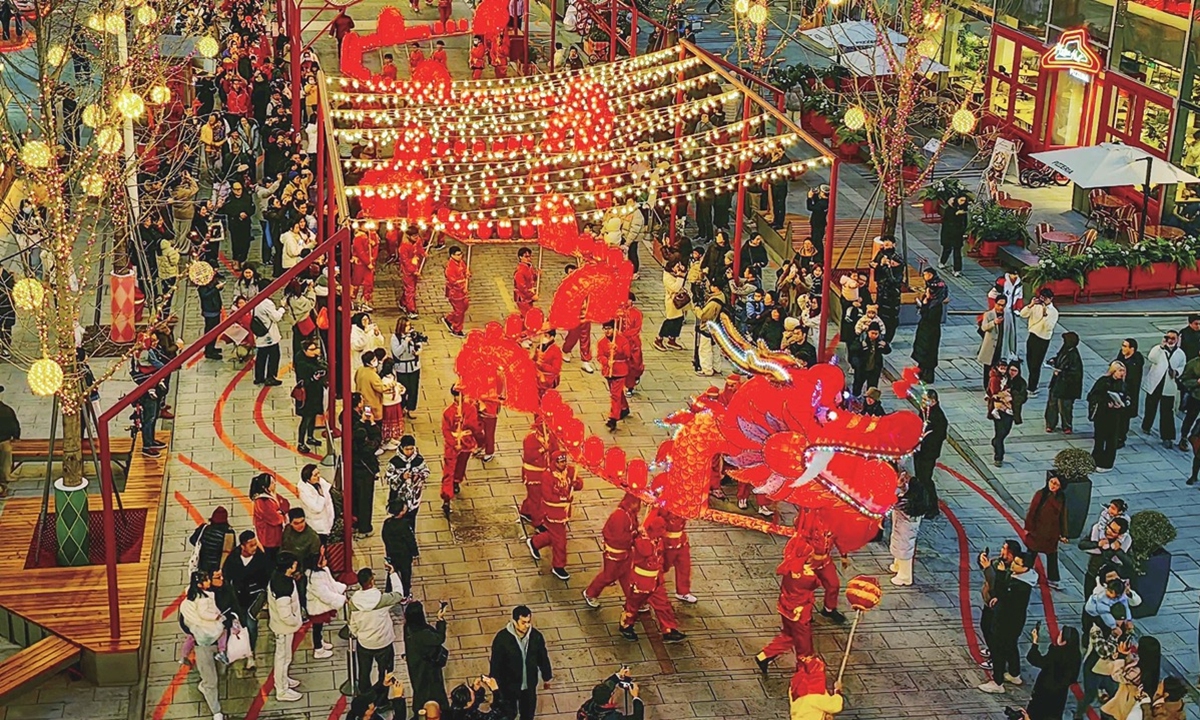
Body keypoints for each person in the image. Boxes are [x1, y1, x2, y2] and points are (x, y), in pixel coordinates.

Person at [755, 533, 820, 673]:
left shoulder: (790, 565)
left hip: (786, 606)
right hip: (800, 613)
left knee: (789, 635)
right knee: (805, 647)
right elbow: (816, 583)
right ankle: (805, 674)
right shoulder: (808, 576)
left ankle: (765, 655)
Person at [618, 515, 686, 643]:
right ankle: (626, 625)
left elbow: (661, 558)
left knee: (663, 603)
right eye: (661, 527)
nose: (664, 530)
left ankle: (668, 629)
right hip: (641, 582)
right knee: (633, 605)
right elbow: (647, 552)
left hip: (655, 579)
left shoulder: (657, 539)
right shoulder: (642, 541)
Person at [978, 551, 1036, 693]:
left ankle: (997, 683)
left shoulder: (1019, 585)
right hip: (1015, 621)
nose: (1013, 565)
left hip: (1005, 621)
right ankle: (1014, 674)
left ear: (1026, 568)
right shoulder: (1023, 580)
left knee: (998, 652)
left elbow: (1001, 591)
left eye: (1017, 564)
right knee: (1011, 646)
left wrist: (1001, 574)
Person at [348, 565, 406, 693]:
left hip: (364, 644)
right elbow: (399, 594)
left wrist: (358, 634)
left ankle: (365, 696)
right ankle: (382, 699)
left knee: (364, 672)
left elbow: (352, 623)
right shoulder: (382, 599)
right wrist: (393, 573)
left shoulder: (353, 602)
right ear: (372, 581)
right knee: (385, 672)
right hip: (383, 643)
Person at [488, 606, 553, 720]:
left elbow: (542, 657)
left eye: (528, 622)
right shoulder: (502, 639)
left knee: (528, 714)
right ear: (514, 621)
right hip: (508, 685)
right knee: (508, 713)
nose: (527, 626)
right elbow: (496, 662)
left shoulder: (536, 637)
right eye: (523, 622)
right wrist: (494, 683)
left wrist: (547, 677)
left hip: (529, 684)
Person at [527, 452, 583, 581]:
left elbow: (579, 484)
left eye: (564, 461)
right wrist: (564, 498)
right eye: (560, 462)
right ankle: (558, 565)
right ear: (554, 462)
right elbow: (547, 496)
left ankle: (535, 542)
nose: (563, 464)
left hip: (564, 512)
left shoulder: (570, 471)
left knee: (553, 536)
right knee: (560, 541)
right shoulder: (547, 476)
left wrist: (576, 484)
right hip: (552, 513)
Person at [180, 571, 227, 720]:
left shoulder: (213, 594)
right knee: (211, 680)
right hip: (203, 644)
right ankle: (216, 712)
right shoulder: (194, 604)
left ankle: (205, 686)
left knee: (218, 674)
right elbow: (189, 624)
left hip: (214, 637)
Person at [583, 492, 641, 607]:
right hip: (615, 553)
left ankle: (632, 601)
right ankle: (590, 593)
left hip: (626, 552)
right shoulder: (619, 516)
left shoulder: (630, 514)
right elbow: (619, 538)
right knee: (608, 576)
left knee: (627, 576)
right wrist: (635, 534)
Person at [977, 539, 1021, 672]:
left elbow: (995, 584)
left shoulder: (1010, 570)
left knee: (993, 633)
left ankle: (995, 659)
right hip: (988, 602)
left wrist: (987, 568)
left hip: (998, 607)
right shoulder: (998, 562)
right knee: (985, 627)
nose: (1002, 551)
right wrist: (982, 561)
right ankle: (992, 650)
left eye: (1005, 549)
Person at [889, 469, 939, 586]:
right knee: (899, 544)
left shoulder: (909, 503)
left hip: (905, 528)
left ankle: (905, 576)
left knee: (904, 548)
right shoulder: (913, 493)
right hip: (901, 525)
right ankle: (898, 565)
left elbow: (894, 501)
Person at [1020, 625, 1081, 720]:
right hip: (1059, 693)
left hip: (1045, 690)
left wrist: (1035, 642)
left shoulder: (1056, 653)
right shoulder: (1075, 654)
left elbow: (1037, 660)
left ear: (1064, 641)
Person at [440, 386, 482, 517]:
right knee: (449, 469)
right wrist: (453, 443)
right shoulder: (448, 412)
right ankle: (446, 496)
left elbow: (473, 426)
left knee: (460, 465)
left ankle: (456, 481)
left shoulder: (470, 409)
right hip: (455, 444)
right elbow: (445, 430)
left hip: (465, 443)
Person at [268, 553, 304, 702]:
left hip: (282, 626)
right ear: (289, 567)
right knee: (282, 658)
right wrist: (296, 621)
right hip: (283, 628)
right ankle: (281, 690)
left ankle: (284, 679)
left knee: (286, 656)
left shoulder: (278, 576)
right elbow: (285, 615)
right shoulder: (283, 587)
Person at [1024, 473, 1068, 591]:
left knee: (1052, 555)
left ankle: (1053, 580)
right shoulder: (1040, 494)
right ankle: (1025, 573)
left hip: (1052, 532)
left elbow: (1063, 516)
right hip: (1038, 530)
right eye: (1051, 482)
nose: (1053, 485)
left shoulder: (1061, 497)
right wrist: (1028, 527)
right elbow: (1032, 511)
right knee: (1031, 553)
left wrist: (1064, 533)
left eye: (1056, 484)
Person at [1142, 329, 1186, 447]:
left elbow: (1182, 366)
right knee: (1150, 407)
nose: (1170, 340)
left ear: (1177, 340)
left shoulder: (1180, 353)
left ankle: (1167, 436)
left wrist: (1177, 372)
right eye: (1168, 338)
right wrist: (1161, 347)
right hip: (1155, 383)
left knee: (1167, 411)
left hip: (1168, 385)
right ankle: (1146, 425)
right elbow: (1151, 357)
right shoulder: (1158, 349)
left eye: (1173, 338)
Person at [404, 600, 449, 712]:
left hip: (415, 663)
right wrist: (440, 620)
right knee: (432, 688)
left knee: (419, 687)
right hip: (427, 666)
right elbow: (439, 638)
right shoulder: (423, 633)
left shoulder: (408, 628)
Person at [385, 435, 429, 545]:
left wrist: (418, 476)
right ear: (401, 448)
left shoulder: (418, 460)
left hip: (413, 498)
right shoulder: (394, 462)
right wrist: (401, 477)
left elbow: (426, 472)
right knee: (399, 520)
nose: (409, 451)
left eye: (411, 449)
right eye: (407, 449)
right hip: (398, 498)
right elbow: (388, 478)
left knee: (411, 519)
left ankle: (410, 540)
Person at [1088, 361, 1129, 472]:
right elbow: (1092, 396)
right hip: (1102, 415)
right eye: (1120, 370)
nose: (1122, 373)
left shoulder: (1123, 384)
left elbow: (1127, 399)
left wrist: (1121, 404)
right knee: (1099, 439)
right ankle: (1095, 460)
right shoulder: (1103, 382)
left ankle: (1107, 464)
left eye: (1123, 371)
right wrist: (1106, 403)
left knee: (1111, 441)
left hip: (1115, 416)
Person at [351, 393, 383, 536]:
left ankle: (355, 522)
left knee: (356, 499)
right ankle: (365, 528)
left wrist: (362, 422)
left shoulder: (352, 443)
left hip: (354, 471)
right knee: (365, 501)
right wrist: (372, 423)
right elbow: (377, 438)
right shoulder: (367, 448)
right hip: (365, 474)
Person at [306, 554, 347, 660]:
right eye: (323, 559)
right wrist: (340, 599)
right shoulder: (314, 578)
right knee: (317, 628)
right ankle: (318, 649)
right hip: (317, 607)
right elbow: (324, 594)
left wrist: (341, 589)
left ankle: (320, 642)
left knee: (319, 628)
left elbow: (331, 584)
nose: (326, 560)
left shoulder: (322, 571)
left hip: (320, 605)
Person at [911, 267, 948, 383]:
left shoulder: (936, 304)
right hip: (924, 329)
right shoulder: (931, 288)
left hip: (930, 331)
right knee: (922, 350)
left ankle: (927, 375)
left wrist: (925, 304)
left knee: (928, 351)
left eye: (926, 274)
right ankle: (920, 371)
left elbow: (928, 316)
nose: (924, 277)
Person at [1019, 288, 1059, 395]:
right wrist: (1030, 305)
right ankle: (1031, 382)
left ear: (1050, 299)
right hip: (1032, 336)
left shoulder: (1053, 312)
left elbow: (1048, 327)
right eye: (1041, 297)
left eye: (1045, 298)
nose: (1043, 300)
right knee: (1029, 360)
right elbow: (1022, 314)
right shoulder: (1036, 306)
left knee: (1036, 364)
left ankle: (1032, 387)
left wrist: (1045, 314)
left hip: (1042, 339)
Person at [1045, 331, 1084, 434]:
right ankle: (1050, 424)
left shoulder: (1074, 356)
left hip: (1067, 387)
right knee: (1052, 404)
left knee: (1065, 407)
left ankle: (1066, 426)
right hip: (1057, 383)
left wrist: (1061, 373)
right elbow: (1059, 358)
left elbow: (1075, 373)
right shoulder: (1064, 350)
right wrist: (1053, 361)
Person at [597, 319, 631, 431]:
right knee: (616, 392)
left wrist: (618, 349)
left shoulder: (622, 340)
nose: (607, 331)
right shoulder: (601, 342)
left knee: (615, 395)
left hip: (620, 371)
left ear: (614, 328)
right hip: (608, 371)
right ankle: (624, 407)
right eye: (605, 329)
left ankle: (613, 418)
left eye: (609, 329)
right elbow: (599, 356)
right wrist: (606, 362)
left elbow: (627, 355)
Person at [294, 339, 327, 454]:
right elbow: (305, 378)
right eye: (312, 350)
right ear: (305, 350)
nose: (315, 351)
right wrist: (314, 377)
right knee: (306, 418)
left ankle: (310, 436)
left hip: (315, 392)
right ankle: (300, 443)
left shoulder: (313, 359)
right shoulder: (302, 363)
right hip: (306, 394)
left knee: (313, 416)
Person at [912, 390, 946, 497]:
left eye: (926, 400)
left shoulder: (938, 416)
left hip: (928, 453)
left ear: (933, 401)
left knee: (926, 479)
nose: (923, 402)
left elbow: (940, 436)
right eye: (923, 399)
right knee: (919, 478)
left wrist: (925, 438)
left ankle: (932, 505)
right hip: (919, 451)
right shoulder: (924, 412)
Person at [250, 474, 288, 566]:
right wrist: (280, 514)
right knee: (271, 559)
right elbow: (275, 519)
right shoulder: (262, 501)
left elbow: (285, 505)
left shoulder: (269, 496)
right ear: (264, 487)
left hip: (273, 535)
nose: (274, 484)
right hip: (269, 537)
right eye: (271, 482)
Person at [577, 668, 644, 720]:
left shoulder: (588, 706)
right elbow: (637, 718)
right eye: (613, 693)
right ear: (610, 700)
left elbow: (606, 687)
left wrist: (618, 676)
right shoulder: (613, 717)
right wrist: (636, 697)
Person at [252, 286, 285, 386]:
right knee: (274, 356)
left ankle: (259, 377)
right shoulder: (267, 303)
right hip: (269, 334)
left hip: (260, 332)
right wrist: (282, 309)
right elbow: (276, 317)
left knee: (261, 356)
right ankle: (271, 377)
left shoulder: (255, 300)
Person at [391, 318, 423, 420]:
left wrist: (418, 350)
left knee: (413, 390)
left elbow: (419, 344)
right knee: (404, 390)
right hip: (402, 368)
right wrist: (405, 342)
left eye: (409, 325)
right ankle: (401, 408)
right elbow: (397, 352)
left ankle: (410, 409)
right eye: (407, 326)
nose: (409, 328)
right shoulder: (395, 337)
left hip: (414, 367)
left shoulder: (413, 334)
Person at [1115, 338, 1144, 447]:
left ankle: (1121, 437)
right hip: (1118, 390)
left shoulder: (1135, 363)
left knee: (1124, 417)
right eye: (1122, 345)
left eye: (1125, 346)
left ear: (1132, 349)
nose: (1122, 348)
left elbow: (1132, 381)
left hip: (1128, 394)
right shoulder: (1121, 356)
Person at [661, 510, 695, 603]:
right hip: (667, 543)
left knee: (684, 566)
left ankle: (683, 592)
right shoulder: (662, 506)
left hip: (681, 541)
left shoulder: (685, 506)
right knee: (662, 568)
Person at [190, 506, 237, 573]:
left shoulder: (204, 528)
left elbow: (192, 540)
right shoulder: (229, 533)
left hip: (203, 566)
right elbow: (232, 551)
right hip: (218, 569)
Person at [693, 279, 725, 378]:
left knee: (705, 349)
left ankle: (707, 369)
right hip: (717, 328)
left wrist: (697, 309)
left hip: (708, 328)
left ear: (715, 287)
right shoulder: (722, 296)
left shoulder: (713, 303)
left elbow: (703, 316)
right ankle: (717, 368)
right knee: (715, 349)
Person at [656, 259, 689, 351]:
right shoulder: (667, 276)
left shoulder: (675, 273)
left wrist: (682, 272)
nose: (678, 268)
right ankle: (659, 338)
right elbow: (676, 288)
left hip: (679, 300)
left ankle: (672, 339)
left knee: (679, 320)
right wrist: (680, 276)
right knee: (670, 321)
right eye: (677, 266)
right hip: (672, 301)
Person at [850, 323, 890, 395]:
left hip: (874, 369)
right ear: (868, 332)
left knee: (872, 389)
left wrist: (885, 346)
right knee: (857, 386)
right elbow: (853, 349)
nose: (874, 335)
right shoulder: (862, 339)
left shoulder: (880, 341)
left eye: (876, 333)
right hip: (862, 368)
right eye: (872, 333)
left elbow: (887, 351)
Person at [298, 464, 335, 542]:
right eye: (315, 475)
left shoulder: (319, 481)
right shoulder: (304, 492)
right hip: (317, 526)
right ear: (308, 479)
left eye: (318, 473)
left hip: (327, 519)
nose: (319, 476)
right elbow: (317, 508)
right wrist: (321, 496)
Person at [977, 296, 1007, 389]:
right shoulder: (989, 314)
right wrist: (994, 322)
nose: (1001, 307)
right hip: (990, 346)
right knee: (988, 369)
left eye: (1003, 305)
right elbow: (984, 327)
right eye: (999, 305)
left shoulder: (1007, 315)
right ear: (995, 303)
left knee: (999, 368)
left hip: (1000, 346)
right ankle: (987, 387)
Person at [0, 388, 23, 496]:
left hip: (4, 440)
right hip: (4, 441)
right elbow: (15, 425)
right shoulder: (6, 410)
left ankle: (4, 480)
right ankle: (6, 476)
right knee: (6, 455)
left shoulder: (6, 410)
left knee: (6, 453)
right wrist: (16, 436)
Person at [938, 194, 969, 275]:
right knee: (947, 249)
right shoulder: (949, 209)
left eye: (964, 201)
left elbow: (965, 222)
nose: (962, 202)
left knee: (957, 252)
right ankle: (942, 261)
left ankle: (957, 269)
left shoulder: (963, 210)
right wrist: (956, 214)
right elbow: (946, 221)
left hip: (958, 234)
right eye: (961, 200)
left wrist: (964, 232)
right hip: (948, 233)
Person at [443, 246, 470, 338]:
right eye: (458, 255)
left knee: (465, 306)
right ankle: (456, 329)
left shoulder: (460, 263)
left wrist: (467, 273)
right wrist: (463, 281)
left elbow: (466, 270)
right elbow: (453, 281)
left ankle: (449, 318)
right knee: (459, 311)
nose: (460, 256)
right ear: (452, 255)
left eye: (461, 254)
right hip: (455, 292)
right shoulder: (450, 268)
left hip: (462, 291)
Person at [398, 231, 425, 319]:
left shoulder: (417, 241)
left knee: (411, 288)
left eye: (417, 235)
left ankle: (403, 302)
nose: (416, 237)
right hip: (408, 271)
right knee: (410, 290)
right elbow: (405, 261)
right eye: (414, 236)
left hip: (415, 268)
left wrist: (423, 253)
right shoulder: (403, 247)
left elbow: (419, 248)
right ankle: (411, 309)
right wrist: (413, 270)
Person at [533, 327, 563, 397]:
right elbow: (534, 360)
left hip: (549, 377)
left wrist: (542, 365)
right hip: (537, 373)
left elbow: (556, 370)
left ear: (552, 337)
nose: (543, 338)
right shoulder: (539, 347)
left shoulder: (556, 351)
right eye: (542, 335)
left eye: (545, 336)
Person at [513, 247, 539, 321]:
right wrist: (532, 295)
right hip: (522, 298)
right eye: (526, 257)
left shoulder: (529, 267)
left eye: (529, 256)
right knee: (529, 317)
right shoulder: (520, 271)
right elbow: (522, 287)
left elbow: (532, 279)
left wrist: (537, 275)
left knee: (527, 316)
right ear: (520, 257)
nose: (528, 258)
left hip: (527, 298)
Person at [806, 185, 829, 256]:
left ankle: (819, 256)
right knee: (816, 240)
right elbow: (817, 201)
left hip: (817, 224)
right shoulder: (826, 201)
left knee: (817, 241)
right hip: (820, 223)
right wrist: (815, 195)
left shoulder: (822, 204)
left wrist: (809, 198)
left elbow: (810, 207)